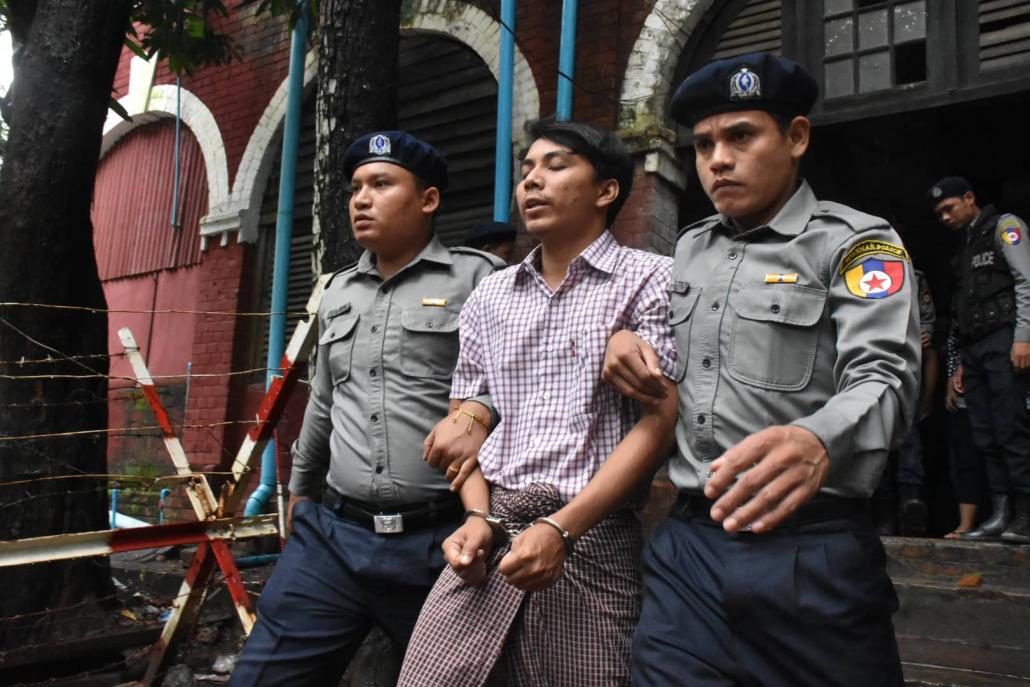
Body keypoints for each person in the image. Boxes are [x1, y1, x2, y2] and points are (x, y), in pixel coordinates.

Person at [602, 53, 920, 685]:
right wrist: (624, 340)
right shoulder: (690, 248)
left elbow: (887, 376)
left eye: (741, 136)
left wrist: (817, 439)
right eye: (703, 144)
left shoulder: (859, 243)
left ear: (796, 137)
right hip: (688, 551)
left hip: (810, 554)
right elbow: (671, 353)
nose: (718, 159)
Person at [397, 120, 679, 686]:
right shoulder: (490, 295)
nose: (532, 182)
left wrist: (563, 530)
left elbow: (659, 422)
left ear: (606, 191)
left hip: (592, 537)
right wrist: (477, 513)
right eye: (526, 171)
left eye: (555, 166)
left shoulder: (651, 279)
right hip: (493, 529)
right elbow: (466, 426)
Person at [228, 131, 503, 686]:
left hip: (440, 541)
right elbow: (324, 403)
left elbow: (513, 391)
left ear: (427, 200)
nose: (360, 198)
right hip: (333, 538)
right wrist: (301, 496)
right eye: (356, 186)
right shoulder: (337, 292)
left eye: (381, 184)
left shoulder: (479, 280)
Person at [932, 175, 1030, 543]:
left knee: (1011, 427)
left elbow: (1026, 280)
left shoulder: (1004, 228)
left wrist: (1023, 338)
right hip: (975, 349)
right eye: (939, 212)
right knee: (984, 433)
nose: (944, 217)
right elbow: (963, 309)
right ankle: (1001, 513)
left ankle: (1025, 514)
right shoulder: (967, 244)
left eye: (948, 207)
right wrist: (959, 364)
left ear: (970, 198)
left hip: (1004, 340)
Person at [874, 266, 937, 535]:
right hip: (871, 369)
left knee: (907, 439)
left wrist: (928, 396)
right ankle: (886, 512)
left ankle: (909, 503)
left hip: (905, 371)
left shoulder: (913, 275)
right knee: (877, 443)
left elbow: (927, 333)